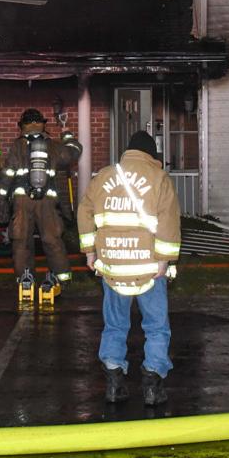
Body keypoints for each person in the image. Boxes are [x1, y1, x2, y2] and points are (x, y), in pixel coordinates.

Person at [78, 130, 180, 407]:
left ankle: (114, 383)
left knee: (114, 325)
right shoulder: (159, 178)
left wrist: (90, 252)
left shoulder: (103, 177)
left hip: (112, 265)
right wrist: (164, 260)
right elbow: (169, 223)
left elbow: (84, 213)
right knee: (157, 328)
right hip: (149, 267)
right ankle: (152, 386)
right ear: (151, 155)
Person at [0, 108, 82, 302]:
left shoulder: (17, 146)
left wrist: (2, 199)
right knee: (52, 239)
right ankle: (62, 279)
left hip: (21, 201)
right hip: (47, 200)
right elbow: (73, 153)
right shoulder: (52, 146)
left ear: (22, 126)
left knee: (21, 241)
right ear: (43, 124)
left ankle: (24, 280)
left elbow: (7, 174)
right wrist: (67, 132)